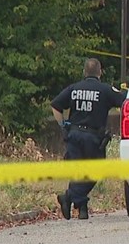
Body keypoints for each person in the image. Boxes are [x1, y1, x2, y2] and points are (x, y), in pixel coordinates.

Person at [51, 58, 125, 220]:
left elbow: (55, 105)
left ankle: (80, 207)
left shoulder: (74, 88)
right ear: (100, 72)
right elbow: (124, 103)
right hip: (93, 137)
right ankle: (71, 197)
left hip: (74, 135)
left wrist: (63, 125)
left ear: (84, 72)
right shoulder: (105, 90)